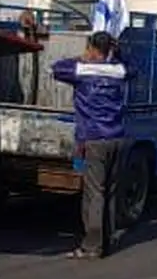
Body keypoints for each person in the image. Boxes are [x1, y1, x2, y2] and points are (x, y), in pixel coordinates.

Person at [50, 30, 135, 259]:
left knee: (94, 193)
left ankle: (92, 246)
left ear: (92, 49)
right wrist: (117, 55)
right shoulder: (118, 70)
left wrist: (83, 58)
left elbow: (57, 68)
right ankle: (107, 240)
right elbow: (132, 69)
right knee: (111, 191)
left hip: (94, 138)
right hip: (117, 137)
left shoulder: (82, 69)